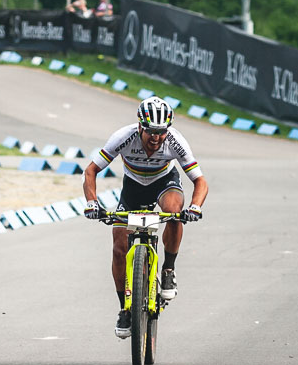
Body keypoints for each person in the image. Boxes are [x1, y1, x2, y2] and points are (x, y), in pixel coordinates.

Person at [80, 96, 208, 339]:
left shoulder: (176, 142)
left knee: (173, 212)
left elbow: (200, 181)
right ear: (140, 127)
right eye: (151, 132)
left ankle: (168, 270)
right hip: (134, 187)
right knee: (119, 248)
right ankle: (125, 309)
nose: (156, 138)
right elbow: (91, 171)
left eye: (161, 132)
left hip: (164, 183)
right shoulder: (123, 137)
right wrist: (91, 202)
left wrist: (195, 207)